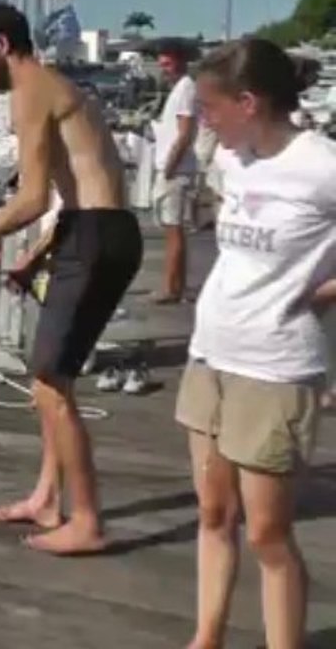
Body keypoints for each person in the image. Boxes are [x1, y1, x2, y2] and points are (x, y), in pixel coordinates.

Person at [0, 2, 143, 555]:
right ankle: (49, 498)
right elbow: (82, 190)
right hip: (95, 231)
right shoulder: (55, 86)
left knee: (49, 385)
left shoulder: (31, 90)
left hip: (95, 238)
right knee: (53, 381)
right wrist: (39, 254)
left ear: (3, 46)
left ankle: (89, 520)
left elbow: (30, 200)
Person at [175, 37, 335, 649]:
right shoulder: (229, 161)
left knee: (268, 533)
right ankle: (206, 637)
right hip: (209, 356)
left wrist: (321, 294)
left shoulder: (322, 164)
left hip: (275, 368)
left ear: (249, 101)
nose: (205, 123)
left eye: (212, 109)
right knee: (214, 514)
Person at [152, 40, 200, 302]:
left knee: (174, 230)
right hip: (174, 167)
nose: (164, 69)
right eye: (162, 64)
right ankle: (175, 285)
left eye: (168, 64)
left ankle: (171, 289)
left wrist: (170, 166)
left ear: (181, 62)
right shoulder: (179, 89)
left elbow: (185, 133)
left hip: (176, 170)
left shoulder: (185, 89)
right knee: (173, 228)